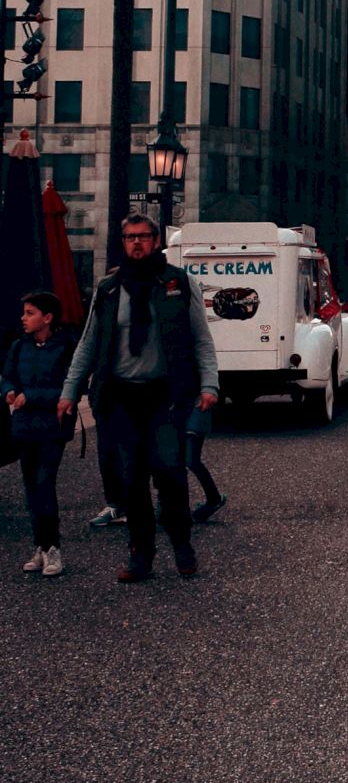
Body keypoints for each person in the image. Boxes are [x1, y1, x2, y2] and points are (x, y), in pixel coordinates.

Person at [59, 214, 219, 583]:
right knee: (130, 480)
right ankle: (140, 553)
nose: (136, 243)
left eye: (143, 237)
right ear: (123, 241)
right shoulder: (110, 287)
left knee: (169, 471)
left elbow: (201, 340)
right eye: (129, 237)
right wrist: (69, 392)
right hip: (120, 398)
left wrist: (209, 385)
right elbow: (88, 344)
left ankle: (181, 543)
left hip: (165, 395)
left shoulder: (180, 283)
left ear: (155, 239)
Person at [3, 292, 76, 577]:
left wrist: (30, 396)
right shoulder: (19, 347)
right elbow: (8, 376)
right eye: (24, 312)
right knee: (31, 487)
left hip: (51, 428)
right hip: (24, 428)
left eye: (30, 312)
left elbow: (69, 387)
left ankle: (53, 548)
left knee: (45, 484)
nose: (23, 318)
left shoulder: (65, 347)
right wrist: (7, 390)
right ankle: (40, 547)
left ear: (47, 318)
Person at [187, 397, 226, 524]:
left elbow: (209, 376)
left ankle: (214, 498)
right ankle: (213, 498)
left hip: (195, 407)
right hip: (175, 409)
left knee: (190, 459)